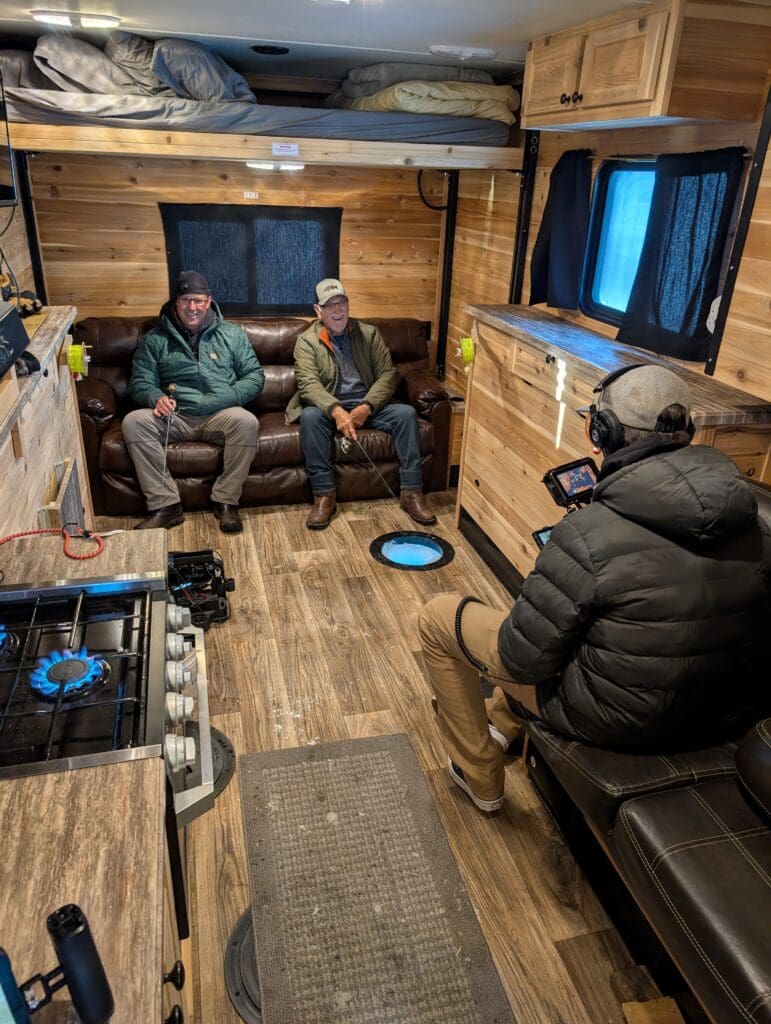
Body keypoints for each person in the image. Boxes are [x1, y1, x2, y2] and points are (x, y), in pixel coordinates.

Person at [419, 363, 771, 814]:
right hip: (717, 712)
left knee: (439, 618)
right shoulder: (754, 518)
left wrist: (560, 562)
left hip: (619, 720)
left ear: (602, 432)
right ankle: (502, 727)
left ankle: (480, 774)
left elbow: (521, 659)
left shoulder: (587, 534)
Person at [285, 278, 436, 530]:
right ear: (318, 311)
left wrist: (367, 406)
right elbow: (308, 384)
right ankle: (324, 495)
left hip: (367, 404)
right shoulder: (306, 341)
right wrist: (336, 410)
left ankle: (412, 492)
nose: (338, 310)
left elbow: (388, 375)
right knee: (310, 418)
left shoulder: (369, 333)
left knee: (406, 414)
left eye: (341, 302)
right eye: (330, 305)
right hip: (329, 407)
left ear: (348, 303)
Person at [124, 271, 264, 533]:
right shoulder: (155, 339)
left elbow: (255, 376)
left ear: (208, 302)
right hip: (175, 416)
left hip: (221, 413)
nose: (192, 307)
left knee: (247, 422)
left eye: (198, 300)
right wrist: (155, 397)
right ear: (176, 301)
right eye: (186, 300)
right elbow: (139, 382)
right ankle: (166, 506)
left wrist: (222, 398)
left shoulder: (232, 334)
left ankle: (225, 502)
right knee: (134, 422)